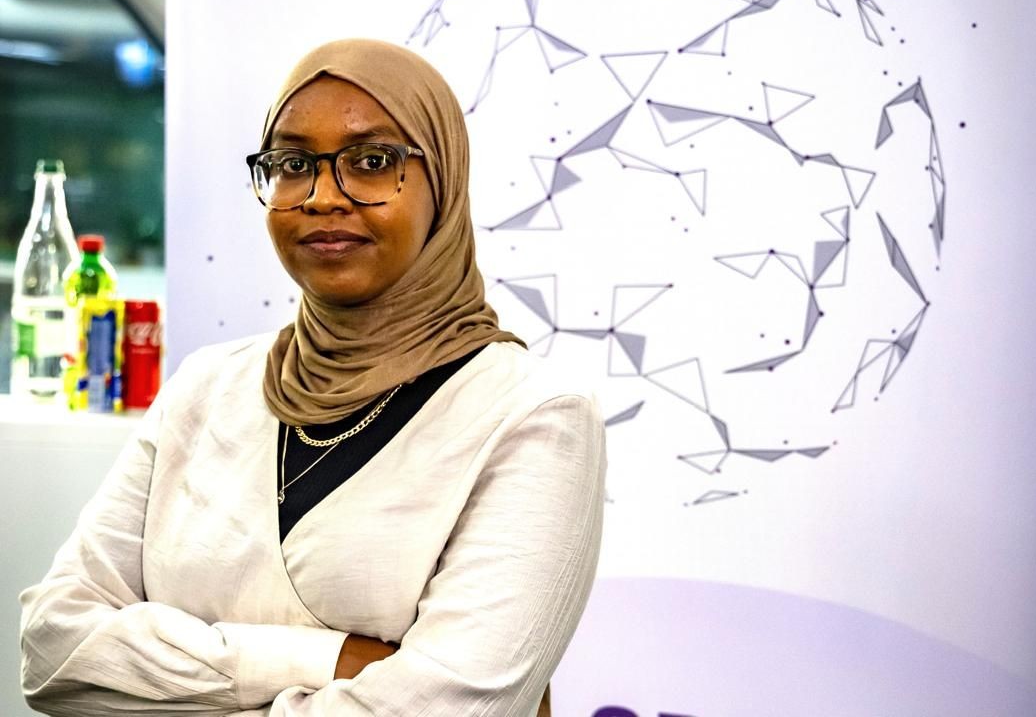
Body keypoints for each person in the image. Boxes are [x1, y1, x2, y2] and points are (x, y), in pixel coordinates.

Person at [20, 39, 606, 716]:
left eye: (373, 161)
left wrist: (156, 679)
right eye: (294, 164)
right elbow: (53, 649)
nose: (324, 196)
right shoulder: (205, 388)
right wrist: (330, 659)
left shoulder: (533, 416)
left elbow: (445, 708)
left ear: (441, 180)